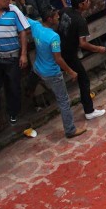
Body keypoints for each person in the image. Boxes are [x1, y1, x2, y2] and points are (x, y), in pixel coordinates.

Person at [29, 9, 87, 138]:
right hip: (52, 72)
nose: (58, 19)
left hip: (38, 68)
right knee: (64, 101)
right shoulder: (53, 37)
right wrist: (71, 71)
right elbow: (58, 59)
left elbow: (24, 19)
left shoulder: (36, 27)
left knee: (32, 82)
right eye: (56, 17)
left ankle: (30, 94)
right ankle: (70, 129)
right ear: (49, 19)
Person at [57, 0, 106, 121]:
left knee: (81, 79)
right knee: (84, 80)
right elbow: (83, 44)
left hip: (59, 49)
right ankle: (89, 110)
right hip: (68, 54)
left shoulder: (65, 11)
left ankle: (86, 105)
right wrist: (97, 48)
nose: (89, 2)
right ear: (80, 5)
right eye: (86, 1)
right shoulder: (80, 21)